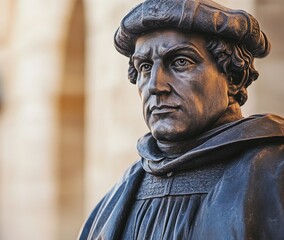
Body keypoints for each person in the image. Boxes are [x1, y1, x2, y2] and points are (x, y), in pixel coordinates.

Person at [79, 0, 284, 239]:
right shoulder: (118, 196)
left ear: (233, 77)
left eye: (180, 62)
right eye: (145, 67)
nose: (155, 86)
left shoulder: (275, 174)